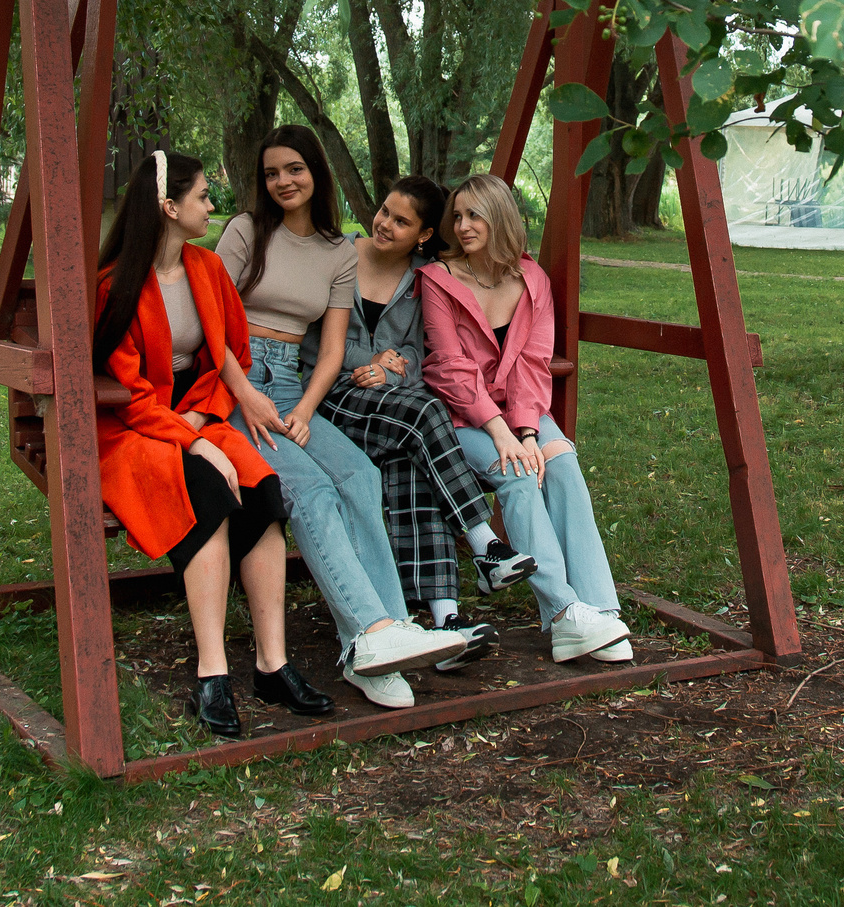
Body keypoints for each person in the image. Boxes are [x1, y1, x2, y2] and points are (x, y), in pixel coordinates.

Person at [216, 125, 470, 707]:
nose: (282, 181)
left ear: (317, 173)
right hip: (232, 383)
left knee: (361, 475)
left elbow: (330, 351)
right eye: (272, 172)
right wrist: (245, 396)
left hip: (290, 387)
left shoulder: (337, 251)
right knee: (309, 491)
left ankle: (386, 635)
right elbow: (209, 324)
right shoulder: (244, 232)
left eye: (294, 169)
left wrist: (303, 408)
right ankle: (370, 635)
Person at [93, 151, 332, 739]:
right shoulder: (116, 285)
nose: (210, 205)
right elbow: (126, 391)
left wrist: (202, 418)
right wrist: (192, 441)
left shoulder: (207, 269)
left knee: (264, 489)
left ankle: (272, 664)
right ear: (169, 207)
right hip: (135, 430)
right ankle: (212, 672)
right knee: (206, 489)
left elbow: (234, 358)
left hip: (199, 415)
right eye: (201, 196)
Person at [319, 173, 537, 659]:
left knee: (411, 468)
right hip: (333, 396)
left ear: (421, 234)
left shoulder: (422, 279)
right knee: (425, 414)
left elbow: (423, 354)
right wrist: (369, 363)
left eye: (401, 221)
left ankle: (445, 619)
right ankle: (483, 541)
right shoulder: (339, 257)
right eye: (383, 212)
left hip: (390, 405)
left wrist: (396, 369)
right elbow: (318, 341)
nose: (384, 224)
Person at [419, 172, 634, 665]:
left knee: (561, 463)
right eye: (458, 215)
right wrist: (504, 435)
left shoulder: (532, 280)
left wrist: (530, 432)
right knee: (517, 470)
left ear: (501, 218)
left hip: (523, 412)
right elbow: (451, 369)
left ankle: (599, 609)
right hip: (461, 416)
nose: (464, 225)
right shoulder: (439, 280)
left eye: (476, 215)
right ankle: (562, 613)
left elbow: (534, 362)